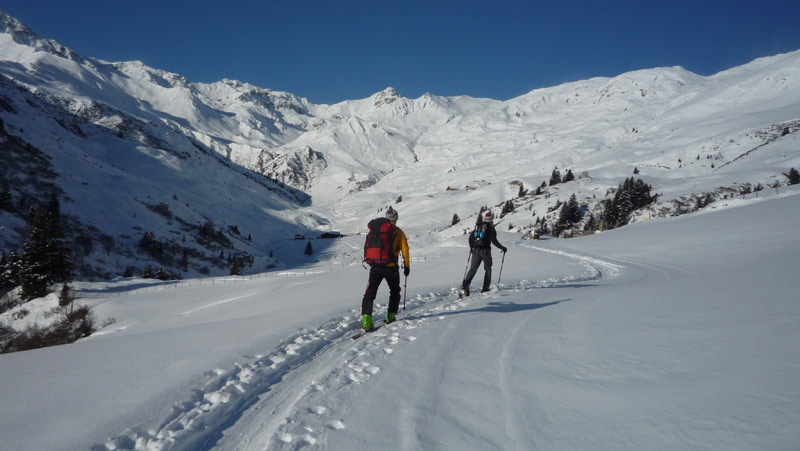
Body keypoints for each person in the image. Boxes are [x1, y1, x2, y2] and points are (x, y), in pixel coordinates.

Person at [361, 206, 410, 330]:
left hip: (375, 266)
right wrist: (407, 266)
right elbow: (405, 250)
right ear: (396, 219)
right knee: (394, 291)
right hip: (391, 267)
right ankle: (390, 316)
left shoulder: (376, 230)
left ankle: (366, 320)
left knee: (370, 291)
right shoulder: (398, 232)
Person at [462, 210, 507, 296]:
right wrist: (502, 248)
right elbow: (494, 241)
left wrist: (472, 247)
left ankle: (465, 284)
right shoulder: (491, 229)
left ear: (485, 219)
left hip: (475, 251)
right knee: (488, 269)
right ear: (491, 219)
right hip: (485, 251)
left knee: (473, 268)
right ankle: (485, 288)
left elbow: (470, 239)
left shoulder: (478, 226)